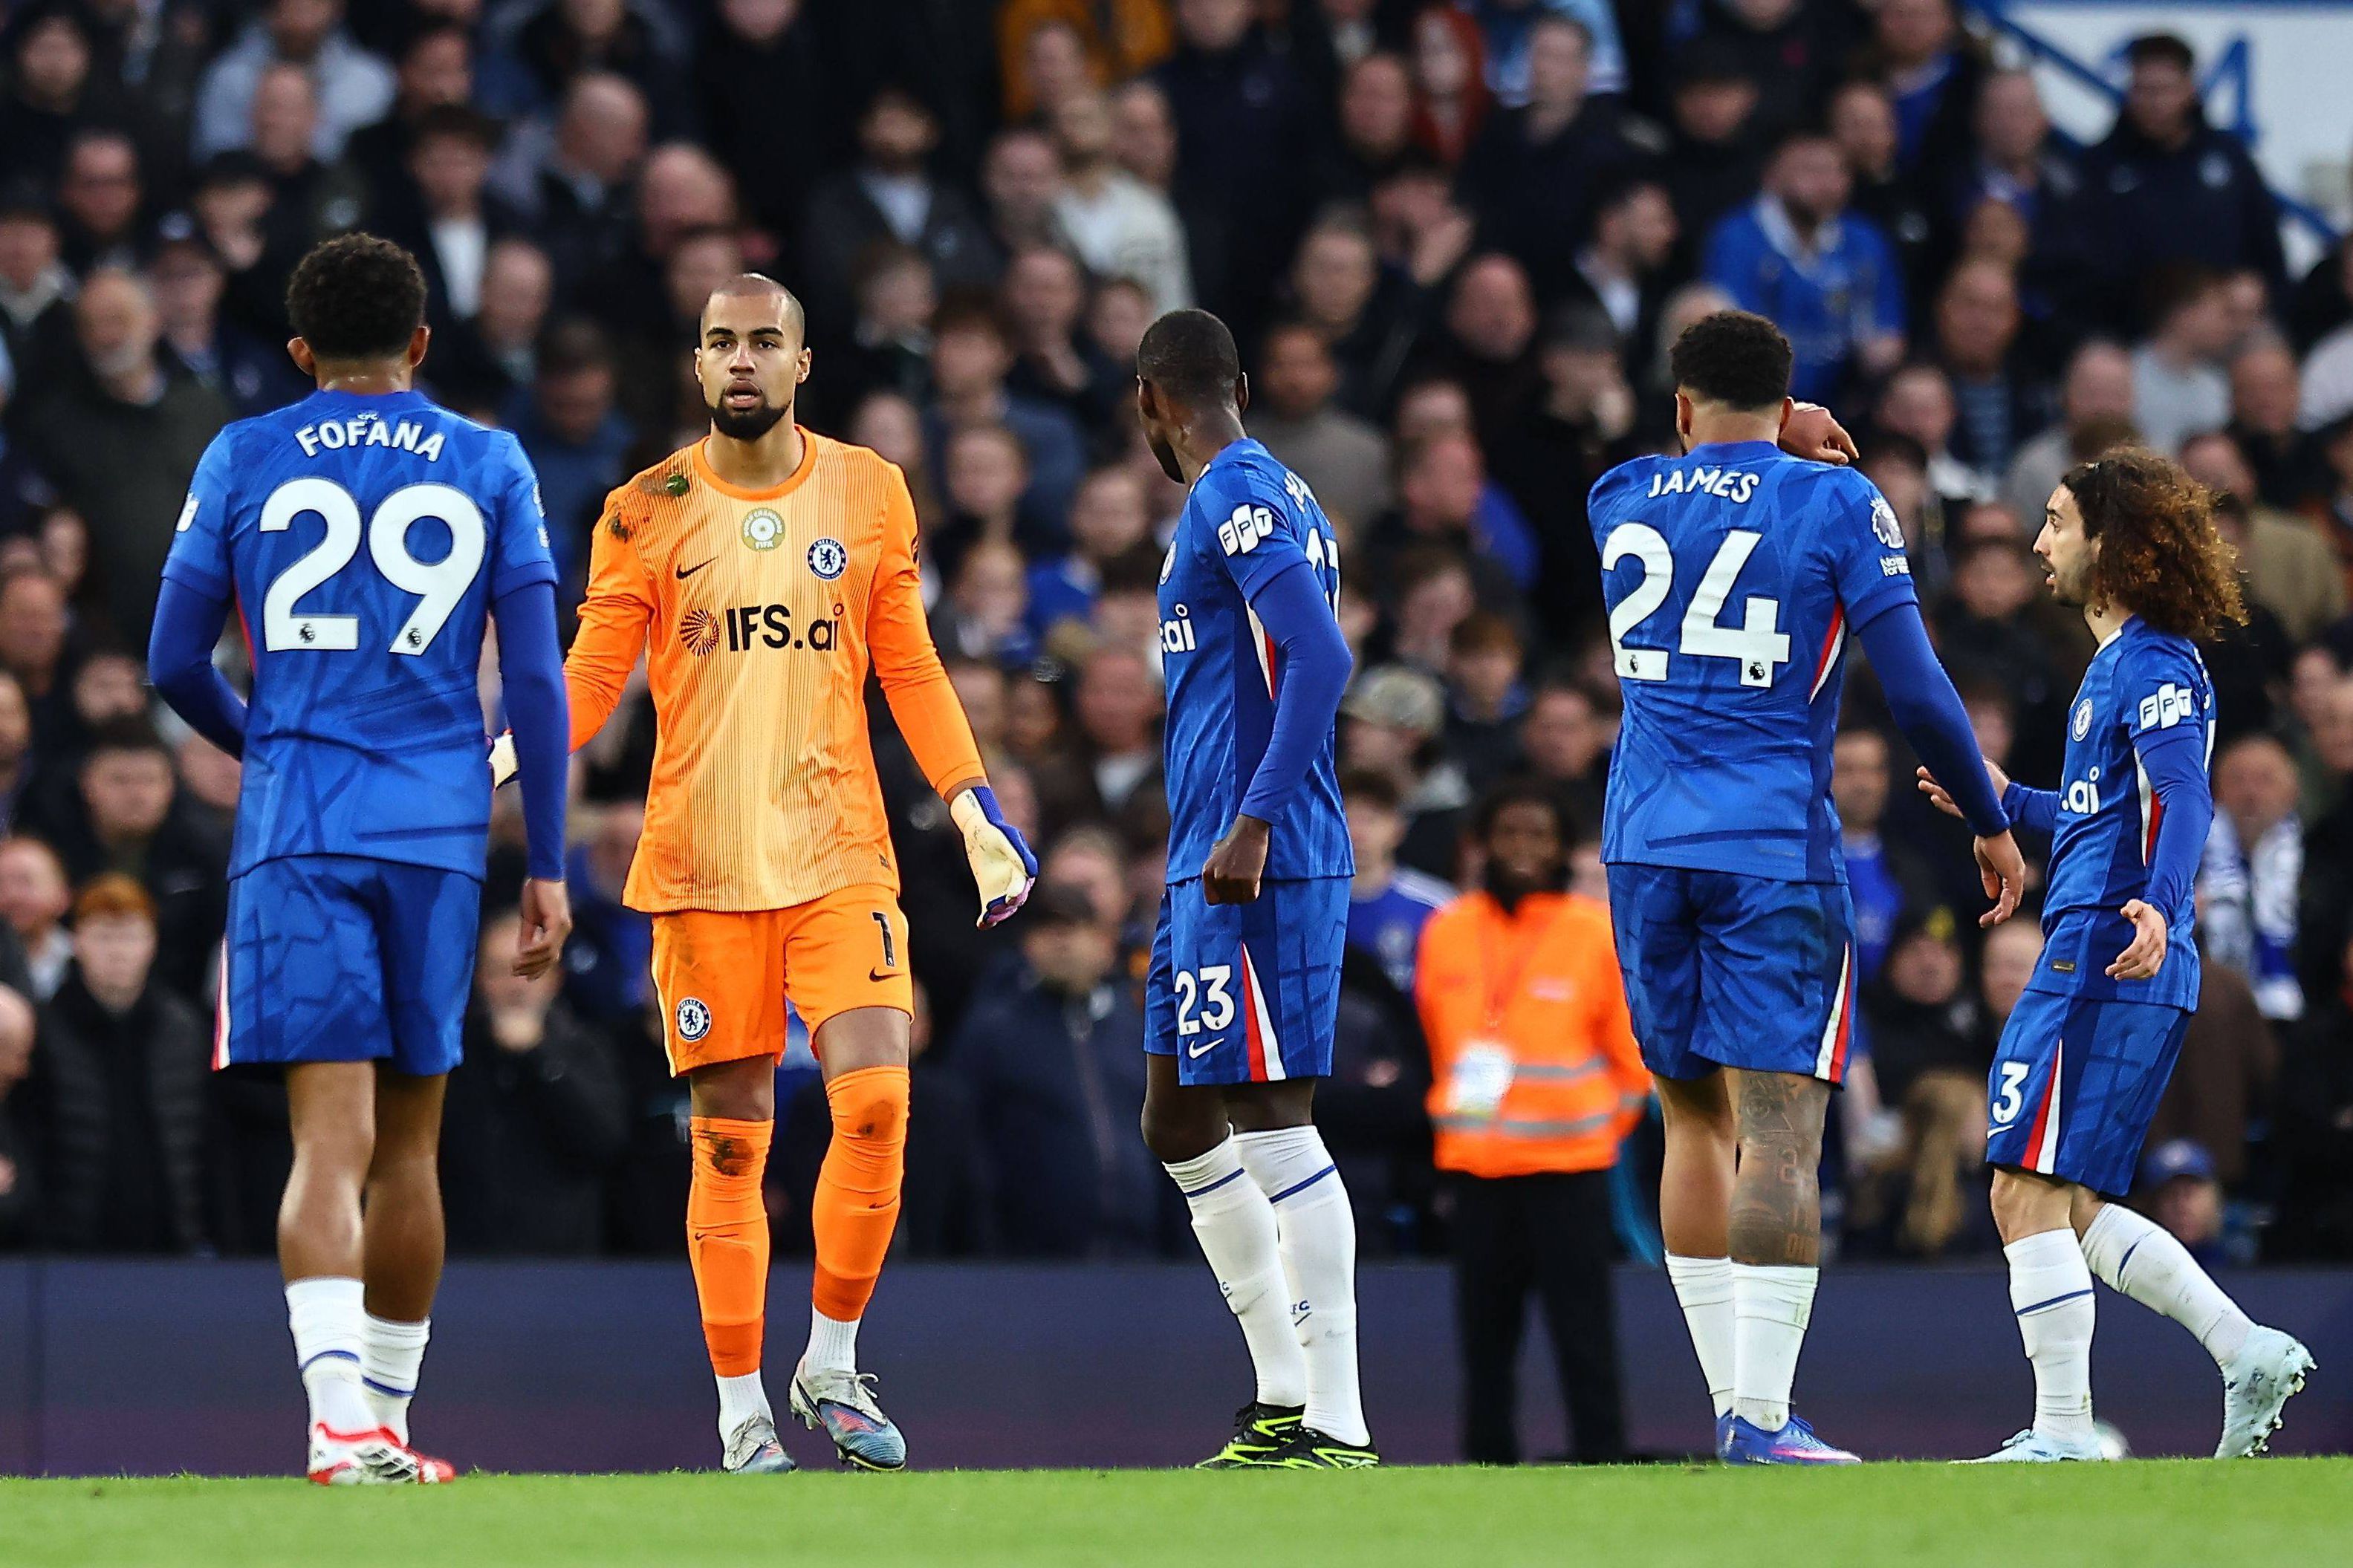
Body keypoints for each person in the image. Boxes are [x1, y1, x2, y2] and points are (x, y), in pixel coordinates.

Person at [522, 270, 1036, 1474]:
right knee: (732, 1144)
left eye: (764, 341)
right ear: (697, 368)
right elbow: (595, 670)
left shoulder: (868, 490)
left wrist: (971, 807)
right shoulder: (643, 509)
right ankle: (741, 1406)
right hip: (700, 869)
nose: (741, 359)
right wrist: (515, 751)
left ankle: (834, 1358)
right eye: (720, 343)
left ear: (801, 364)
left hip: (838, 853)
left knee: (875, 1099)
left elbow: (906, 661)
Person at [148, 234, 573, 1484]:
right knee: (410, 1147)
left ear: (298, 352)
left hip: (301, 820)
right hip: (438, 831)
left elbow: (174, 660)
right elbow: (539, 679)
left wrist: (268, 744)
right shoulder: (489, 458)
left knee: (324, 1144)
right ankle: (380, 1424)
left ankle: (344, 1427)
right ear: (423, 344)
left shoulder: (244, 452)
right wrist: (544, 860)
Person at [1589, 309, 2023, 1463]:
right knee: (1779, 1131)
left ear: (1679, 406)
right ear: (1789, 406)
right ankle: (1762, 1416)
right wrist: (1987, 819)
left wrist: (1764, 433)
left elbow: (1694, 472)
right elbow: (1921, 691)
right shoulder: (1836, 501)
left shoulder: (1616, 493)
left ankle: (1732, 1403)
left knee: (1689, 1115)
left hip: (1639, 843)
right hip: (1769, 846)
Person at [1918, 447, 2312, 1462]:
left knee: (2015, 1184)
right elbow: (2104, 810)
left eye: (2053, 521)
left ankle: (2059, 1430)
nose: (2037, 540)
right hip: (2107, 943)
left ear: (2111, 543)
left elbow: (2186, 794)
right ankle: (2243, 1346)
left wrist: (2155, 903)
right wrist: (2004, 802)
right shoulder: (2112, 666)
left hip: (2103, 950)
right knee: (2069, 1197)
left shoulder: (2152, 659)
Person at [1130, 307, 1367, 1467]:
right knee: (1175, 1112)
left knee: (1273, 1118)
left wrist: (1254, 819)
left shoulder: (1234, 492)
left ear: (1148, 403)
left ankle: (1337, 1416)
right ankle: (1280, 1393)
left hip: (1253, 853)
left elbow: (1321, 656)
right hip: (1203, 860)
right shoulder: (1269, 494)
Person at [1415, 780, 1647, 1464]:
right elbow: (1436, 1037)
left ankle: (1602, 1457)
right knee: (1483, 1338)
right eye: (1508, 831)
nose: (1521, 847)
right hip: (1477, 1169)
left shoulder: (1593, 929)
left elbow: (1630, 1057)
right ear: (1480, 843)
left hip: (1570, 1170)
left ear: (1559, 847)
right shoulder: (1446, 929)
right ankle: (1486, 1464)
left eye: (1537, 833)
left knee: (1585, 1333)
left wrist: (1599, 1129)